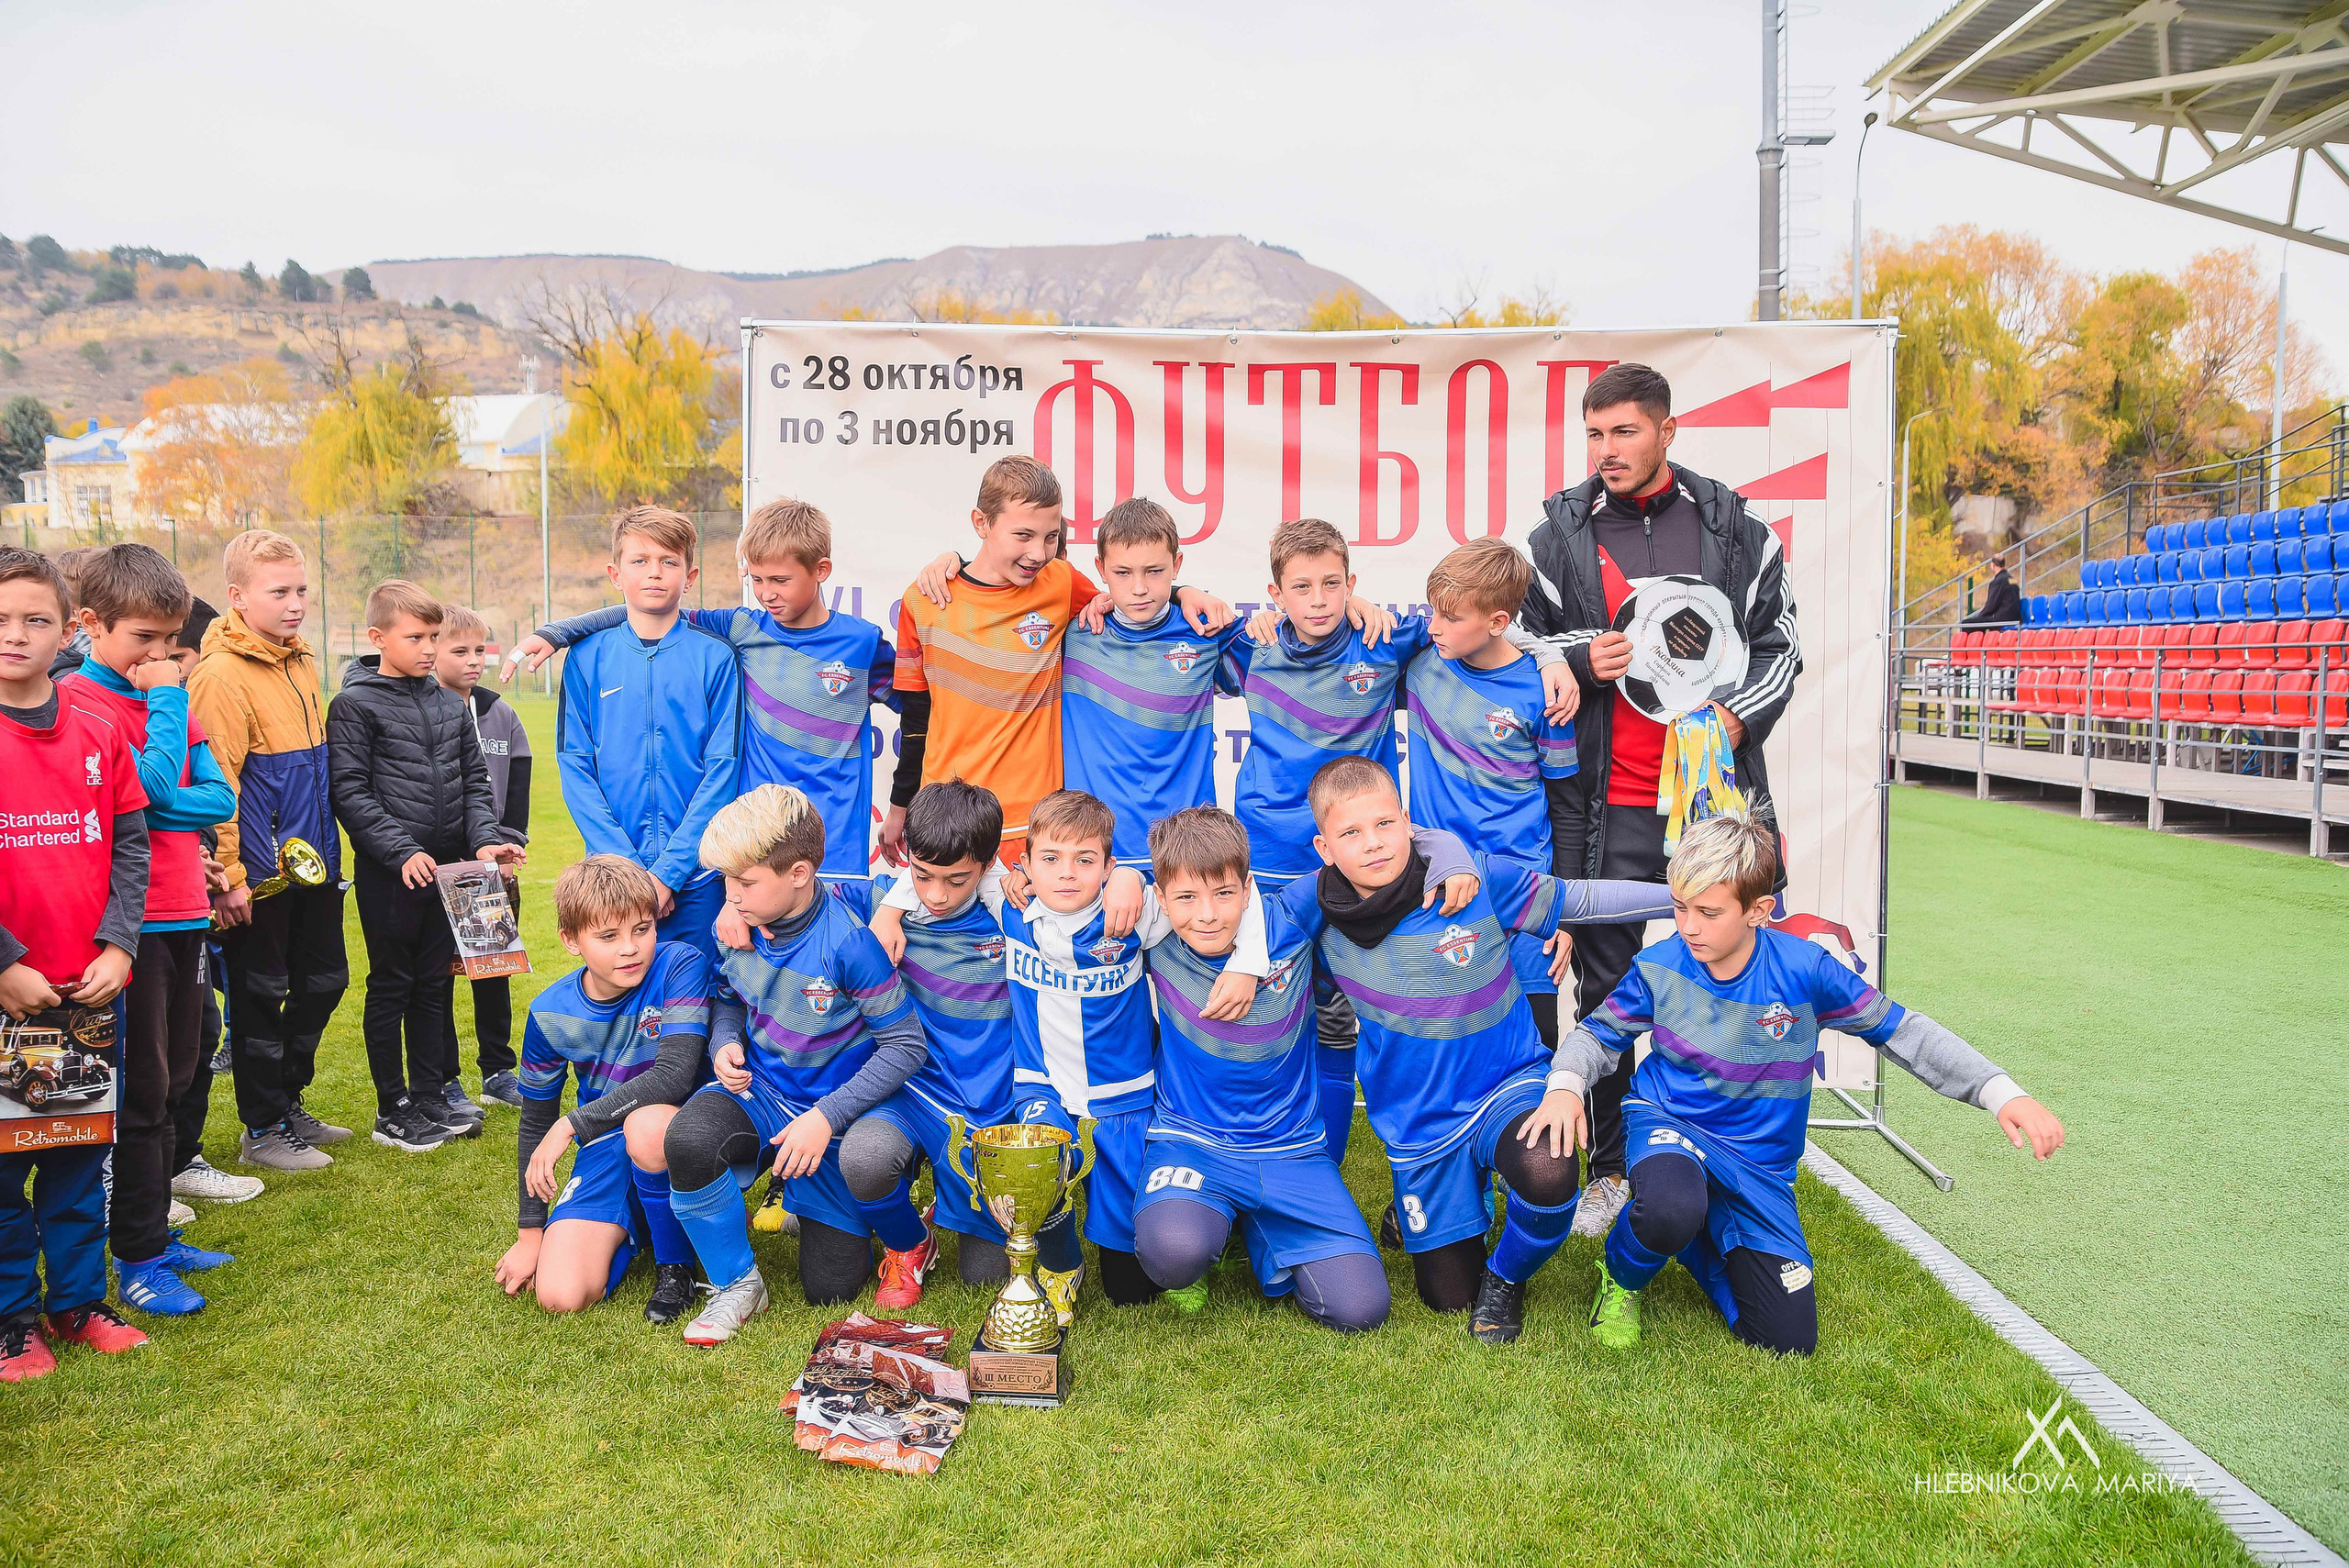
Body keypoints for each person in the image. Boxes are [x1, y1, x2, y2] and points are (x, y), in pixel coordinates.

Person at [1544, 812, 2065, 1356]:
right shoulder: (1658, 965)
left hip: (1759, 1163)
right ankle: (1623, 1275)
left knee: (1785, 1341)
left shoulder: (1807, 969)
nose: (1689, 927)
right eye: (1679, 908)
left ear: (1758, 911)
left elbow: (1902, 1031)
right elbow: (1599, 1035)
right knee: (1672, 1204)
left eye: (1708, 912)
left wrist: (2002, 1092)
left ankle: (1698, 1232)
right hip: (1672, 1124)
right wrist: (1564, 1084)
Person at [1513, 362, 1802, 1241]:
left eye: (1625, 433)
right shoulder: (1556, 532)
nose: (1607, 451)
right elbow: (1517, 639)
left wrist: (1731, 715)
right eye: (1595, 434)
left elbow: (1779, 645)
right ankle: (1607, 1168)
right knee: (1604, 988)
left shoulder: (1736, 527)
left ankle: (1734, 1154)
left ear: (1666, 432)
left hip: (1713, 804)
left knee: (1738, 972)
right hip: (1603, 807)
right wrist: (1574, 656)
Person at [1273, 756, 1672, 1343]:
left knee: (1549, 1167)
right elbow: (1254, 943)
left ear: (1408, 822)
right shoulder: (1312, 913)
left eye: (1385, 824)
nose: (1374, 844)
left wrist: (1678, 900)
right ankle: (1433, 1212)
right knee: (1445, 1298)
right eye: (1351, 833)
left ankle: (1506, 1277)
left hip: (1505, 1086)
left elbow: (1580, 900)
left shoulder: (1472, 878)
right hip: (1420, 1122)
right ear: (1324, 847)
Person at [884, 788, 1272, 1314]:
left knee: (1132, 1290)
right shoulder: (1009, 902)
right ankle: (1062, 1267)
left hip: (1125, 1097)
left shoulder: (1134, 912)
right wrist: (888, 910)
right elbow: (939, 870)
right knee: (1041, 1177)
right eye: (1050, 859)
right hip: (1044, 1090)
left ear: (1108, 865)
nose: (1067, 874)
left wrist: (1245, 959)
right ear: (1023, 864)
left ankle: (1198, 1245)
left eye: (1085, 861)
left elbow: (1242, 902)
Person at [509, 498, 885, 917]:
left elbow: (923, 704)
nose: (767, 593)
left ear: (821, 571)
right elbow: (649, 608)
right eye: (757, 580)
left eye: (779, 579)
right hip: (741, 848)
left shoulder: (860, 643)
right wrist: (560, 632)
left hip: (816, 850)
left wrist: (903, 806)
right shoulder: (741, 629)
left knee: (828, 969)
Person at [661, 785, 932, 1345]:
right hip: (761, 1092)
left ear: (801, 872)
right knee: (688, 1138)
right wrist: (725, 1044)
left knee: (830, 1289)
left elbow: (906, 1047)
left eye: (745, 883)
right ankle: (738, 1283)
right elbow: (729, 997)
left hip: (832, 1117)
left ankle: (879, 1212)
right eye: (726, 883)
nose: (729, 897)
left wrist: (826, 1118)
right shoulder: (736, 923)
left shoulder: (850, 945)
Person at [885, 455, 1230, 867]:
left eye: (1050, 537)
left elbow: (1133, 592)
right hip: (946, 817)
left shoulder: (1061, 583)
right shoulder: (923, 600)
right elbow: (916, 718)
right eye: (1023, 535)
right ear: (981, 523)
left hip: (1038, 825)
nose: (1037, 552)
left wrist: (1183, 592)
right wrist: (900, 806)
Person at [61, 545, 239, 1316]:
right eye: (145, 638)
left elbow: (215, 798)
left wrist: (171, 782)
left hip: (186, 914)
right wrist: (168, 702)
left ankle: (153, 1233)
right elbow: (163, 790)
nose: (161, 657)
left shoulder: (165, 695)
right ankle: (136, 1258)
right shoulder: (81, 701)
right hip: (126, 923)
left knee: (175, 1077)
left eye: (171, 642)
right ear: (90, 624)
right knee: (138, 1093)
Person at [1132, 807, 1390, 1332]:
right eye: (1186, 898)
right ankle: (1212, 1223)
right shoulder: (1153, 934)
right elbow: (1072, 885)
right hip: (1192, 1141)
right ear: (1161, 899)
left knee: (1362, 1310)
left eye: (1223, 893)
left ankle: (1256, 1228)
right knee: (1173, 1253)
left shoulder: (1289, 918)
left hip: (1290, 1149)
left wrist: (1455, 862)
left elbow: (1383, 857)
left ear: (1248, 888)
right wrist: (1117, 878)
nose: (1206, 914)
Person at [0, 548, 153, 1380]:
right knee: (2, 1163)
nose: (16, 634)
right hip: (7, 995)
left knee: (77, 1147)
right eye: (0, 619)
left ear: (68, 628)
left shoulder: (96, 727)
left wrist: (120, 943)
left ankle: (77, 1301)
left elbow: (130, 844)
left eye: (34, 619)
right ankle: (10, 1317)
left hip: (86, 986)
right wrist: (4, 963)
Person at [328, 579, 523, 1153]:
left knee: (436, 985)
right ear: (377, 637)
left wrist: (484, 842)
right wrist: (399, 850)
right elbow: (351, 791)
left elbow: (474, 786)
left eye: (434, 637)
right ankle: (394, 1109)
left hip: (450, 871)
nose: (428, 649)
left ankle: (432, 1093)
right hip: (393, 875)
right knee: (393, 987)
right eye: (415, 637)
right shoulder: (354, 705)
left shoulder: (446, 702)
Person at [187, 529, 351, 1174]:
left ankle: (287, 1100)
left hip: (315, 868)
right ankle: (262, 1126)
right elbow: (215, 782)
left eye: (301, 589)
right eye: (278, 591)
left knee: (326, 981)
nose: (295, 603)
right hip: (257, 876)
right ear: (237, 597)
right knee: (261, 994)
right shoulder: (220, 674)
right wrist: (226, 876)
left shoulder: (300, 659)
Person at [837, 780, 1030, 1308]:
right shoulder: (885, 900)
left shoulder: (1016, 911)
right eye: (922, 876)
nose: (937, 895)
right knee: (864, 1158)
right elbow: (799, 897)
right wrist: (733, 910)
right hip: (914, 1094)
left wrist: (1127, 875)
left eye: (956, 879)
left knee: (986, 1279)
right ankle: (910, 1243)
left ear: (990, 863)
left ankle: (957, 1207)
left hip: (992, 1106)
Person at [495, 856, 711, 1323]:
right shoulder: (549, 1012)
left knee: (650, 1128)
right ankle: (641, 1227)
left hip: (682, 1134)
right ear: (571, 941)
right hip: (608, 1141)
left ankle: (675, 1260)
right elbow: (536, 1121)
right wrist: (532, 1232)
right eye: (608, 936)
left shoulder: (680, 965)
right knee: (561, 1295)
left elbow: (674, 1076)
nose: (630, 949)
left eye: (642, 929)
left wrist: (571, 1125)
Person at [529, 506, 741, 965]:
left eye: (669, 562)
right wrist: (629, 870)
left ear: (690, 576)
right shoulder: (587, 659)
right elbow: (576, 766)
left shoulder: (716, 658)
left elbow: (723, 769)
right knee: (623, 1007)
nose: (654, 573)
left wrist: (668, 873)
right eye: (639, 561)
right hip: (613, 875)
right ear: (615, 573)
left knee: (693, 1005)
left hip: (696, 877)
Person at [1401, 537, 1582, 1055]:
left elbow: (1567, 806)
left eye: (1451, 617)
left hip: (1524, 889)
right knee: (1448, 1049)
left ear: (1499, 622)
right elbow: (1348, 626)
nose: (1435, 626)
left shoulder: (1544, 692)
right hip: (1440, 886)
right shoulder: (1422, 664)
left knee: (1532, 1046)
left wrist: (1563, 911)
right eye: (1432, 612)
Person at [1060, 496, 1245, 871]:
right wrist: (953, 561)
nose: (1140, 588)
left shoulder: (1206, 631)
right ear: (1101, 569)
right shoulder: (1072, 633)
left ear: (1177, 564)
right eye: (1123, 573)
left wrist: (1352, 604)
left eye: (1155, 571)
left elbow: (1303, 646)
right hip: (1093, 858)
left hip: (1185, 857)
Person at [431, 605, 531, 1109]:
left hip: (488, 865)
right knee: (439, 974)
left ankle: (498, 1070)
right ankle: (446, 1077)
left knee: (492, 967)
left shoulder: (500, 713)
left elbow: (518, 784)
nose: (474, 661)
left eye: (480, 650)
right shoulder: (423, 710)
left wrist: (508, 843)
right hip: (436, 862)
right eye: (460, 651)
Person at [1962, 553, 2022, 627]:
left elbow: (1991, 605)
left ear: (1993, 565)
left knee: (1966, 624)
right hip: (2015, 617)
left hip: (2002, 619)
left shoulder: (1998, 581)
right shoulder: (2012, 579)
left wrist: (1980, 616)